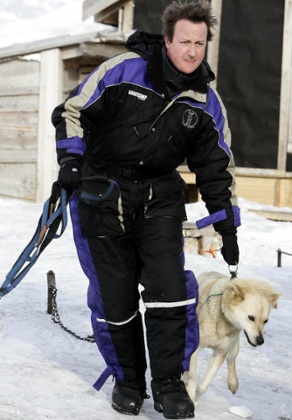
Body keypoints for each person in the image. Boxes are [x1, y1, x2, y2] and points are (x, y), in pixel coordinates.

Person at [52, 0, 240, 418]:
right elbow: (72, 112)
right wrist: (71, 161)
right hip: (103, 191)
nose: (192, 52)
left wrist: (226, 224)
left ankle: (169, 382)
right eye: (185, 42)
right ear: (168, 40)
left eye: (200, 43)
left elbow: (216, 166)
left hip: (159, 197)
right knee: (115, 299)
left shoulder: (206, 102)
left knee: (170, 294)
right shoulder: (124, 69)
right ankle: (129, 379)